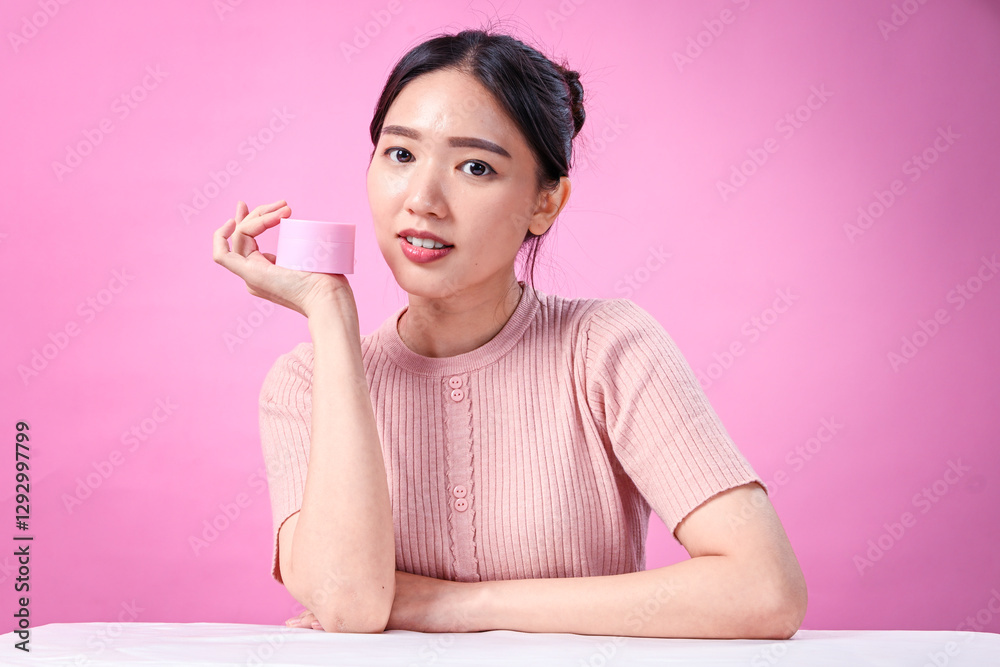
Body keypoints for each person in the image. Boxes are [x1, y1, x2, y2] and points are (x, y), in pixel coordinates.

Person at [213, 26, 807, 638]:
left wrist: (454, 606)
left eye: (475, 166)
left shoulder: (606, 349)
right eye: (400, 154)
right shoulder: (305, 382)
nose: (423, 199)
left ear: (545, 203)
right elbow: (350, 605)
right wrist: (331, 318)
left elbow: (765, 590)